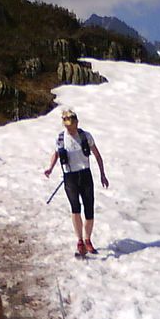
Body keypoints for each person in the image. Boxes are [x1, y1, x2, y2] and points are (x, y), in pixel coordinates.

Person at [43, 108, 109, 257]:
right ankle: (80, 240)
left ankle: (88, 239)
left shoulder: (85, 136)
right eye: (67, 126)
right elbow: (56, 154)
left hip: (85, 174)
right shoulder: (60, 139)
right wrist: (50, 168)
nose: (70, 129)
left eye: (72, 126)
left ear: (77, 123)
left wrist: (102, 174)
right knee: (75, 208)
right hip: (70, 177)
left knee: (89, 209)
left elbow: (97, 155)